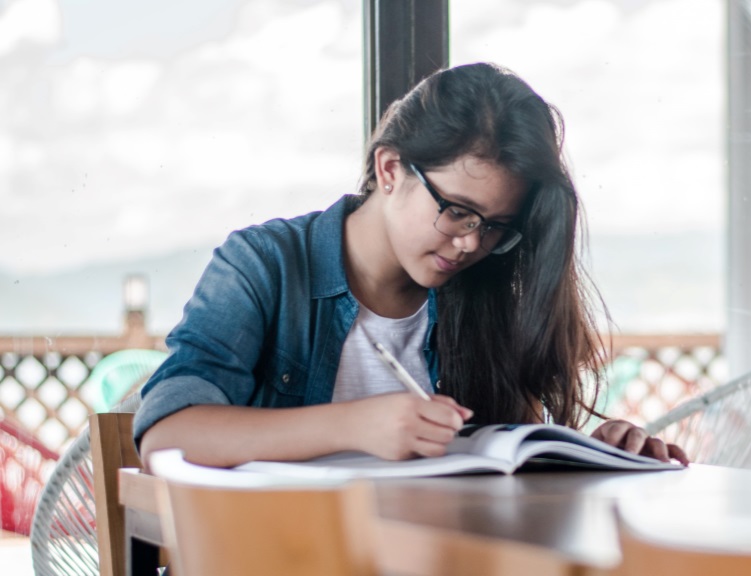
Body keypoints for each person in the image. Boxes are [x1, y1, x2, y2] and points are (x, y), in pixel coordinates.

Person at [135, 62, 688, 469]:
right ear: (392, 167)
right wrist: (355, 424)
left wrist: (599, 452)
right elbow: (167, 434)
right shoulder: (265, 265)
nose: (472, 244)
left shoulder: (482, 290)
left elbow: (508, 462)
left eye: (494, 225)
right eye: (458, 212)